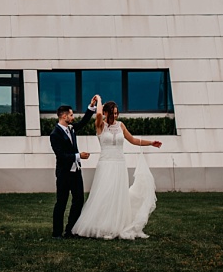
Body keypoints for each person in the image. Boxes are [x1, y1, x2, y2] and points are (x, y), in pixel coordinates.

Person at [69, 100, 163, 240]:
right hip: (106, 164)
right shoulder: (100, 125)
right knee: (105, 194)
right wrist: (99, 99)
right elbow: (99, 113)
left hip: (119, 164)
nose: (115, 115)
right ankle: (102, 225)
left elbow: (133, 140)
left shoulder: (121, 125)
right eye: (112, 113)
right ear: (106, 113)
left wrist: (151, 143)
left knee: (118, 194)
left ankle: (117, 225)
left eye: (116, 113)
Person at [49, 95, 99, 238]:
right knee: (62, 202)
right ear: (64, 116)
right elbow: (61, 156)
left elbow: (83, 122)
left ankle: (71, 230)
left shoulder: (71, 128)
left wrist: (91, 107)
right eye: (71, 115)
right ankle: (57, 233)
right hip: (64, 174)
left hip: (76, 172)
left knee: (78, 200)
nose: (73, 117)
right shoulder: (55, 134)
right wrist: (78, 156)